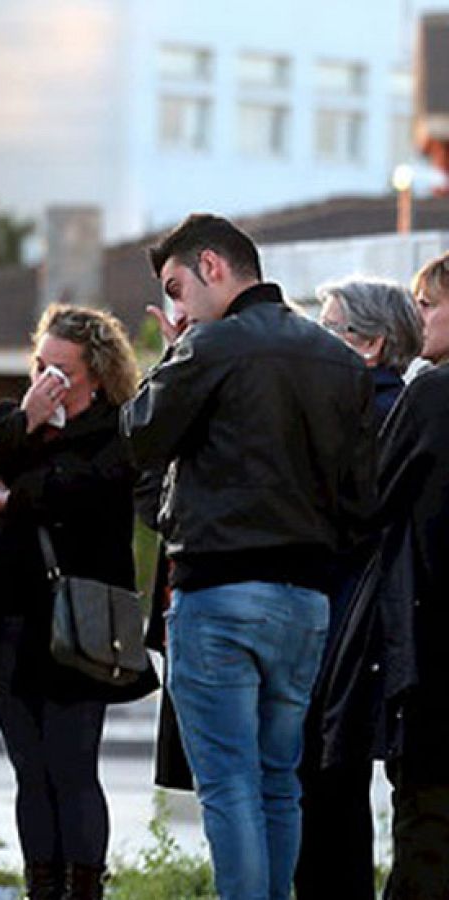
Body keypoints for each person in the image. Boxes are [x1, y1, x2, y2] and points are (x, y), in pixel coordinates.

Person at [122, 213, 374, 900]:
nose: (177, 308)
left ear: (212, 266)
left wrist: (176, 353)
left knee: (228, 784)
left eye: (177, 287)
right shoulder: (340, 361)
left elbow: (139, 437)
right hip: (307, 600)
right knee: (276, 781)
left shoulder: (211, 348)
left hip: (218, 591)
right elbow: (361, 497)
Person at [0, 305, 155, 900]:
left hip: (78, 622)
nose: (45, 380)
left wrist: (11, 497)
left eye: (61, 371)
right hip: (7, 621)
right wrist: (22, 424)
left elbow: (89, 494)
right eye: (39, 366)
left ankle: (84, 887)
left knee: (73, 768)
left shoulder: (118, 429)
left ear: (97, 376)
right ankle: (42, 887)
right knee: (30, 771)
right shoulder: (15, 418)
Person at [317, 252, 449, 898]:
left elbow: (373, 501)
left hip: (427, 655)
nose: (419, 315)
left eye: (430, 303)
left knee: (425, 837)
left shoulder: (431, 393)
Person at [295, 276, 421, 899]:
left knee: (323, 794)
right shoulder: (394, 407)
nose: (315, 341)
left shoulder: (363, 417)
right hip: (359, 623)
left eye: (328, 328)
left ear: (369, 345)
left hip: (341, 623)